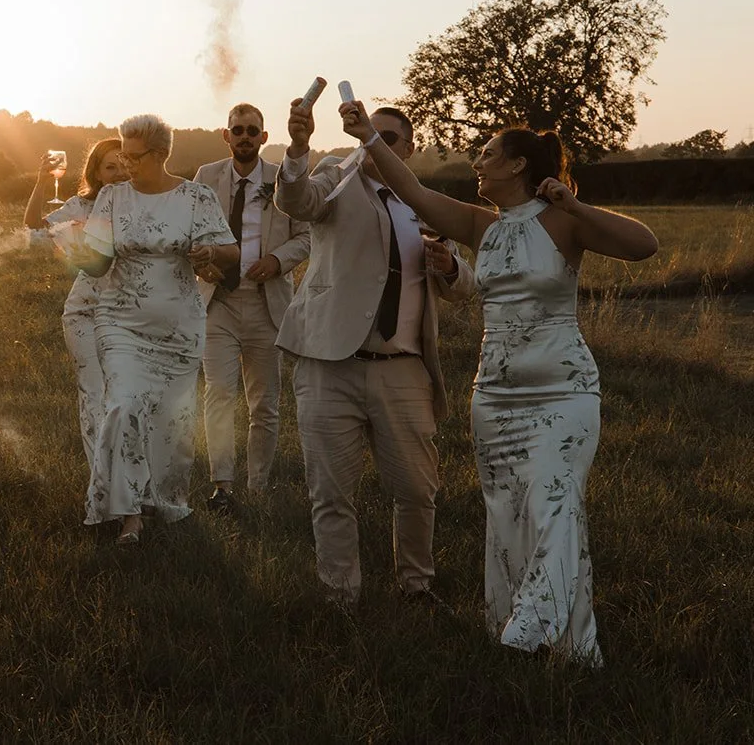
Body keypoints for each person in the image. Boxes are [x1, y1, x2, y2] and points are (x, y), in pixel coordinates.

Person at [337, 99, 657, 664]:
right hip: (496, 398)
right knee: (508, 511)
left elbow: (643, 246)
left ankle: (531, 628)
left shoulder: (562, 222)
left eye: (486, 153)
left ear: (516, 166)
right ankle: (558, 641)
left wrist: (575, 203)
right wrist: (369, 138)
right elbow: (413, 192)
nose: (476, 161)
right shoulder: (480, 225)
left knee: (556, 502)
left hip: (564, 390)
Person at [274, 99, 475, 607]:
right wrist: (297, 149)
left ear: (410, 149)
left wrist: (450, 265)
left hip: (403, 368)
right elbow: (297, 201)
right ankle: (340, 595)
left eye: (388, 138)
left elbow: (465, 285)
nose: (374, 143)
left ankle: (416, 585)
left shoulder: (423, 203)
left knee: (416, 489)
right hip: (328, 363)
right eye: (369, 134)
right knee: (331, 492)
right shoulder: (335, 179)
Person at [68, 114, 238, 546]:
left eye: (134, 154)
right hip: (119, 319)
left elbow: (232, 253)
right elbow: (99, 262)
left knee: (170, 420)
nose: (124, 161)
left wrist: (209, 249)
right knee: (123, 406)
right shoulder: (111, 197)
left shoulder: (195, 197)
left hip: (180, 325)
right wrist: (73, 248)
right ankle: (128, 514)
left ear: (161, 154)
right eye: (121, 152)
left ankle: (163, 500)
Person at [192, 103, 311, 509]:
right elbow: (190, 231)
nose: (244, 136)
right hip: (218, 304)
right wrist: (202, 263)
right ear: (226, 135)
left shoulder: (284, 179)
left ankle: (258, 486)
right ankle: (222, 485)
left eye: (252, 130)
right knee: (219, 394)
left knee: (264, 402)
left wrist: (278, 261)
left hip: (266, 305)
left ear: (263, 136)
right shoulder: (206, 177)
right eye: (237, 129)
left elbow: (306, 235)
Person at [23, 138, 129, 469]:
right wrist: (42, 181)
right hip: (85, 312)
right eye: (110, 167)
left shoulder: (145, 205)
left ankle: (129, 477)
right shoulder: (80, 207)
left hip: (130, 315)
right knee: (94, 395)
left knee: (127, 398)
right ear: (96, 172)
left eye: (125, 165)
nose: (118, 173)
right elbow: (33, 228)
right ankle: (102, 482)